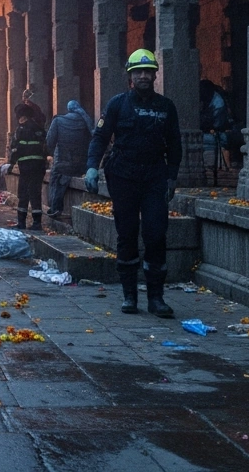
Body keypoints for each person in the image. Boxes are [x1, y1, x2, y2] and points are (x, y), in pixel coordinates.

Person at [84, 49, 183, 318]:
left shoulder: (166, 107)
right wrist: (92, 167)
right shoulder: (117, 104)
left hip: (154, 177)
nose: (143, 76)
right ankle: (130, 295)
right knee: (126, 234)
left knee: (155, 233)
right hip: (123, 176)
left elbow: (175, 144)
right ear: (130, 76)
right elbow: (100, 137)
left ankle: (156, 298)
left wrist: (171, 177)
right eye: (137, 72)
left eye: (147, 71)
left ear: (154, 75)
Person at [45, 99, 93, 221]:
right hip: (82, 165)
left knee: (56, 180)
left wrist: (47, 157)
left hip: (63, 164)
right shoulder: (86, 121)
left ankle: (55, 208)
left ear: (68, 109)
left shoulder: (58, 120)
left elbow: (49, 142)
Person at [2, 103, 48, 230]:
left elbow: (16, 149)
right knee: (35, 193)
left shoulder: (20, 130)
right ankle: (37, 223)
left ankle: (21, 223)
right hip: (39, 166)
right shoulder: (39, 129)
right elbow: (45, 147)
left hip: (26, 167)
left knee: (23, 194)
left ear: (21, 116)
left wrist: (10, 164)